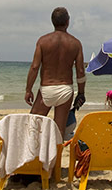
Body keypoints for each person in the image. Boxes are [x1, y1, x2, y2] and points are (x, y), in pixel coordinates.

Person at [25, 7, 86, 136]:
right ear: (68, 22)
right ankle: (55, 156)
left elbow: (35, 67)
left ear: (52, 21)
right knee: (59, 131)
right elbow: (80, 71)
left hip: (46, 88)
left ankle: (34, 155)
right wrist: (81, 93)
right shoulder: (75, 43)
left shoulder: (43, 41)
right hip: (65, 89)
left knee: (33, 127)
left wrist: (28, 89)